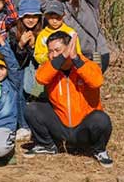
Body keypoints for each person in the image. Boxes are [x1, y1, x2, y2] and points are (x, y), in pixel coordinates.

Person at [23, 32, 113, 167]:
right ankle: (47, 145)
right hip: (61, 127)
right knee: (32, 108)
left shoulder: (86, 64)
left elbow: (96, 81)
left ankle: (99, 150)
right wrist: (61, 57)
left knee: (101, 119)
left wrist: (75, 59)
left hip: (83, 129)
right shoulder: (51, 67)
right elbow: (40, 78)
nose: (53, 55)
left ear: (70, 48)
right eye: (51, 51)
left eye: (58, 50)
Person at [39, 0, 111, 71]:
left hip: (95, 53)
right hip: (73, 55)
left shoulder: (88, 0)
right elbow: (40, 3)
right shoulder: (59, 5)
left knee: (92, 86)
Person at [32, 0, 83, 66]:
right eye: (51, 18)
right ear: (46, 17)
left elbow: (78, 52)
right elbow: (37, 55)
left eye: (58, 18)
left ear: (63, 15)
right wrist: (49, 57)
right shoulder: (42, 35)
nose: (54, 21)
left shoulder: (71, 32)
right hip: (50, 68)